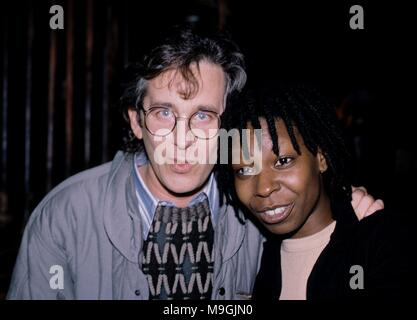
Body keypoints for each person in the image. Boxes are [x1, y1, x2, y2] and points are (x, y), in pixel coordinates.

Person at [7, 27, 381, 300]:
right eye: (164, 113)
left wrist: (343, 204)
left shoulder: (257, 211)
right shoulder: (64, 216)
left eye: (203, 116)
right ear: (137, 121)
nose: (182, 139)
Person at [223, 84, 411, 300]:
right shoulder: (254, 260)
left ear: (320, 159)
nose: (264, 188)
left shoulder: (380, 242)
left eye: (283, 161)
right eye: (245, 170)